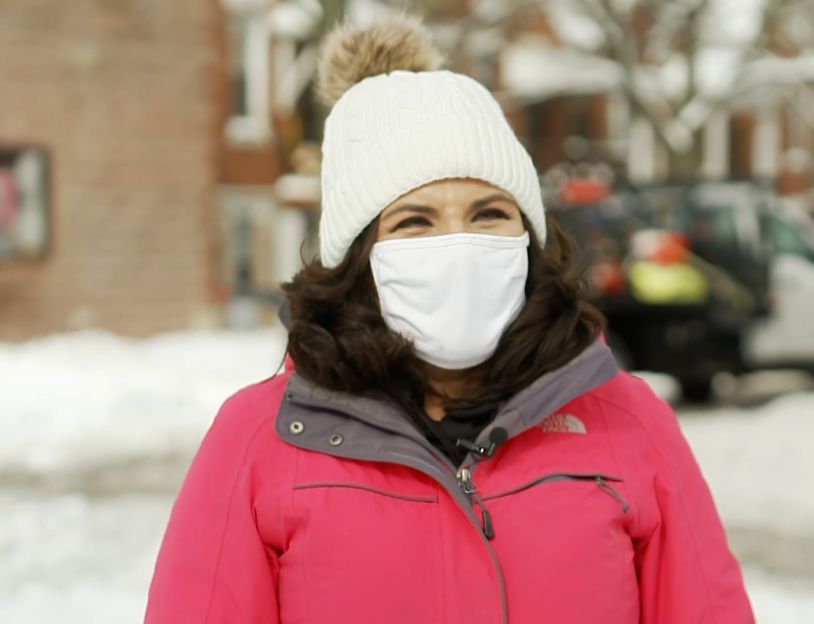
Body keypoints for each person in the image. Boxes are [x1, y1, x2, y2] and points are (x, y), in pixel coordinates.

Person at [145, 14, 755, 624]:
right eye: (415, 221)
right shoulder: (260, 440)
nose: (459, 244)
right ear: (359, 258)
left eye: (490, 212)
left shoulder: (629, 424)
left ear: (529, 238)